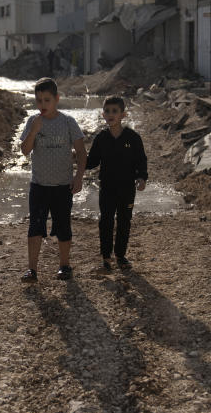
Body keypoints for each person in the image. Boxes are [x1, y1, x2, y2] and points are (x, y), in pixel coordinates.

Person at [19, 78, 87, 282]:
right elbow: (24, 151)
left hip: (62, 186)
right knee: (35, 227)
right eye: (39, 100)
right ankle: (32, 270)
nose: (42, 105)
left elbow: (82, 152)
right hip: (39, 185)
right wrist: (34, 131)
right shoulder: (32, 121)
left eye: (47, 100)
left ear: (57, 99)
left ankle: (64, 266)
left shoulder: (68, 122)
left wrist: (79, 177)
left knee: (63, 227)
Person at [85, 95, 148, 271]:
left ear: (123, 114)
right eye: (107, 111)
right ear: (103, 114)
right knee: (105, 221)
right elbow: (92, 162)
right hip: (107, 187)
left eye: (114, 111)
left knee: (124, 221)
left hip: (127, 188)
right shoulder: (101, 138)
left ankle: (121, 255)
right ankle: (106, 256)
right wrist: (78, 158)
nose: (110, 114)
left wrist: (142, 178)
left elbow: (141, 161)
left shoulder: (133, 138)